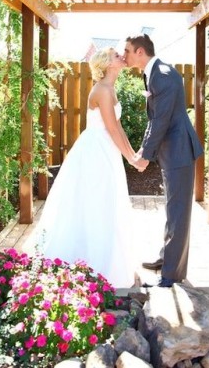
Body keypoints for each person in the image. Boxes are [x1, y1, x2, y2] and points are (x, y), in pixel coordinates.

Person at [33, 48, 137, 288]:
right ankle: (88, 264)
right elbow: (111, 129)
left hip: (107, 151)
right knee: (95, 202)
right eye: (114, 54)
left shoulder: (110, 88)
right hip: (96, 153)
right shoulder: (101, 90)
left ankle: (106, 260)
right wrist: (131, 159)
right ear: (107, 64)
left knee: (106, 202)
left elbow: (118, 128)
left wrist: (133, 155)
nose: (121, 54)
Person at [123, 34, 204, 288]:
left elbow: (162, 120)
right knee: (172, 209)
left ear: (140, 52)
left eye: (127, 50)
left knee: (178, 212)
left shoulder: (164, 74)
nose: (124, 55)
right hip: (172, 152)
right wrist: (142, 149)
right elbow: (154, 119)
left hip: (179, 151)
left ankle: (172, 275)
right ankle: (166, 259)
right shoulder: (153, 72)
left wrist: (145, 155)